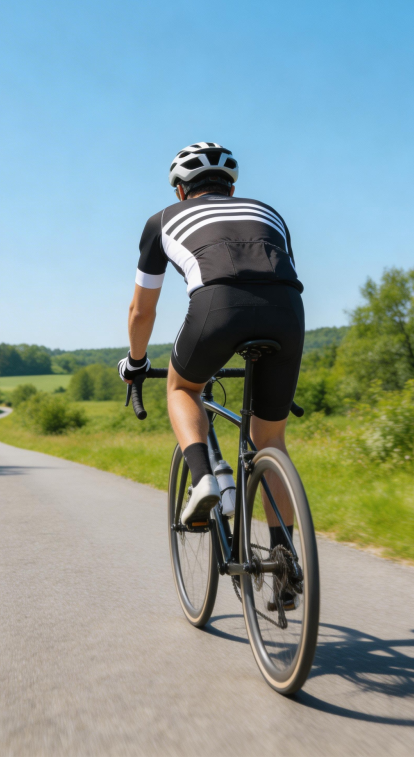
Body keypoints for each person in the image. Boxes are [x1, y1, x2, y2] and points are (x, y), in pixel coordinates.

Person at [118, 143, 305, 593]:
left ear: (181, 191)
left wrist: (137, 362)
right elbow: (278, 274)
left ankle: (203, 479)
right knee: (270, 439)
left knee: (183, 389)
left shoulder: (162, 220)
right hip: (287, 312)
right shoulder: (268, 211)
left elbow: (142, 312)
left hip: (217, 305)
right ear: (233, 188)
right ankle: (285, 559)